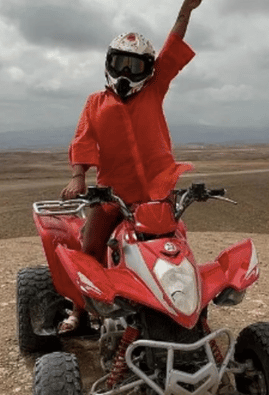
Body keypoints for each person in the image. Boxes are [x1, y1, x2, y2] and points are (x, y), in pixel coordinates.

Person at [58, 0, 203, 333]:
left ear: (147, 70)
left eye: (134, 66)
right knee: (90, 247)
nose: (125, 73)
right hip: (113, 193)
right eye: (119, 64)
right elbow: (83, 139)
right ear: (109, 64)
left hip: (156, 191)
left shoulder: (154, 90)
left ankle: (190, 312)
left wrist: (186, 11)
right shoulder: (96, 102)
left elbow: (171, 50)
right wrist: (79, 177)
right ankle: (80, 310)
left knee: (174, 246)